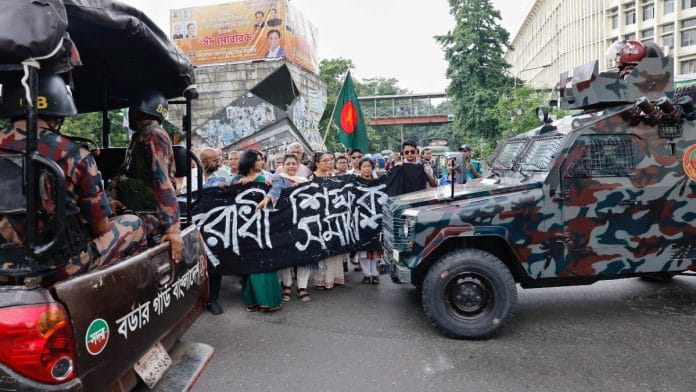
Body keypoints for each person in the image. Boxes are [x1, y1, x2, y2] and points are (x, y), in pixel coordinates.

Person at [0, 73, 146, 284]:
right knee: (134, 224)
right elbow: (101, 228)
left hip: (4, 268)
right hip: (55, 267)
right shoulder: (75, 154)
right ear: (57, 112)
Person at [115, 91, 184, 265]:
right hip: (136, 209)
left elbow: (162, 182)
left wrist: (172, 229)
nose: (130, 112)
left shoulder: (153, 135)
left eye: (133, 108)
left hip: (150, 215)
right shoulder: (140, 136)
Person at [230, 150, 282, 312]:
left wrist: (268, 195)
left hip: (262, 229)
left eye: (262, 160)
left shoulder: (266, 179)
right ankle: (251, 300)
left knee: (264, 262)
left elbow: (279, 188)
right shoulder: (236, 180)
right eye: (258, 160)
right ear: (250, 162)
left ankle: (268, 301)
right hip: (243, 230)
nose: (262, 163)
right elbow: (226, 201)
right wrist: (224, 187)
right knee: (249, 262)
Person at [256, 154, 312, 302]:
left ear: (298, 165)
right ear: (283, 166)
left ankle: (302, 287)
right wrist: (267, 199)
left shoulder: (306, 181)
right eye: (288, 164)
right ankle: (286, 285)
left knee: (304, 253)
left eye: (294, 164)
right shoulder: (278, 178)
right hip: (284, 222)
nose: (291, 166)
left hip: (302, 222)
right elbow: (275, 190)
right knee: (285, 252)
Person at [310, 152, 345, 290]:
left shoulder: (334, 177)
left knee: (333, 246)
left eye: (331, 160)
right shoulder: (311, 178)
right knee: (321, 247)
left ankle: (334, 278)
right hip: (318, 218)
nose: (329, 163)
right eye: (325, 160)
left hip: (333, 217)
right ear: (317, 163)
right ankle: (321, 279)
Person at [356, 157, 382, 284]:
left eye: (369, 166)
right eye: (364, 166)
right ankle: (367, 274)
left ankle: (375, 274)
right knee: (363, 249)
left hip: (376, 219)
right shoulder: (355, 183)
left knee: (375, 247)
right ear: (360, 168)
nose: (367, 169)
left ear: (372, 168)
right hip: (361, 219)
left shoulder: (378, 183)